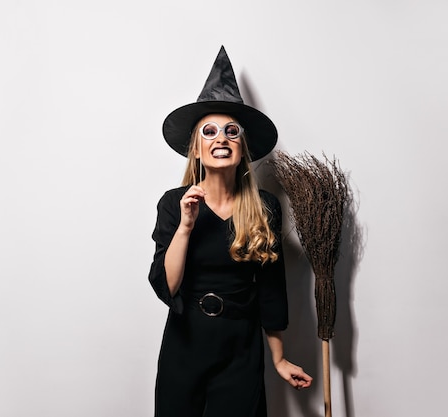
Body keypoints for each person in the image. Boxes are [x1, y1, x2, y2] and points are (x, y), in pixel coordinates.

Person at [148, 46, 312, 417]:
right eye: (210, 131)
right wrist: (186, 225)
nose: (221, 138)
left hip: (241, 347)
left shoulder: (266, 206)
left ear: (243, 147)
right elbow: (167, 286)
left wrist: (280, 358)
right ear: (197, 149)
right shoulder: (174, 203)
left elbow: (271, 289)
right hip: (185, 342)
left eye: (231, 131)